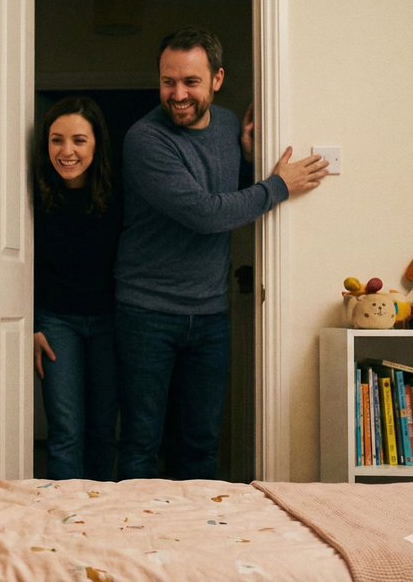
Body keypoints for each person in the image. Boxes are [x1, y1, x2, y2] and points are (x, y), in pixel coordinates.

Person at [114, 26, 328, 481]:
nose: (177, 94)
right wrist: (277, 186)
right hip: (145, 312)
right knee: (141, 443)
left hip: (210, 313)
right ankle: (132, 542)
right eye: (168, 81)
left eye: (190, 82)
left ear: (217, 79)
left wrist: (249, 158)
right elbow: (206, 213)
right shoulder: (145, 139)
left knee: (200, 445)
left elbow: (227, 190)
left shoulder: (231, 125)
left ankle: (196, 542)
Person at [33, 96, 121, 481]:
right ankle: (64, 521)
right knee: (66, 431)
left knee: (104, 431)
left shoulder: (120, 192)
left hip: (112, 321)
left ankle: (98, 515)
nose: (66, 151)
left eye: (79, 140)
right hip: (56, 322)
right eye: (56, 140)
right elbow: (17, 266)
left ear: (96, 144)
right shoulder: (31, 192)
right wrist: (31, 323)